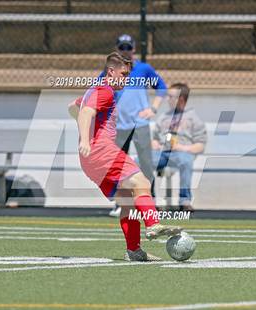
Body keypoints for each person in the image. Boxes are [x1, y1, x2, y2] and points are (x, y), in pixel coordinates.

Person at [69, 52, 182, 261]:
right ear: (110, 71)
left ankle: (134, 250)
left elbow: (74, 108)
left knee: (127, 201)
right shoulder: (105, 91)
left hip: (89, 160)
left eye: (129, 74)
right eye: (123, 74)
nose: (127, 78)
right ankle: (153, 224)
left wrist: (86, 137)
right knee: (141, 181)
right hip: (102, 152)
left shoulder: (93, 90)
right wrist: (85, 139)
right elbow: (85, 114)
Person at [100, 34, 167, 217]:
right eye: (122, 47)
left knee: (146, 163)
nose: (125, 51)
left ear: (134, 49)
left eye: (128, 47)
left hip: (140, 125)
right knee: (117, 165)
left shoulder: (143, 69)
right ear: (117, 49)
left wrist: (153, 108)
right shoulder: (111, 70)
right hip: (118, 126)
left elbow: (161, 87)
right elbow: (98, 90)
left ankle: (149, 203)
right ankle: (121, 203)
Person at [151, 83, 207, 212]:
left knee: (186, 161)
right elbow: (154, 138)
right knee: (143, 160)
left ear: (180, 99)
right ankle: (149, 201)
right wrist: (154, 143)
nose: (167, 99)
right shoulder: (164, 117)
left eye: (171, 96)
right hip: (162, 153)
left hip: (181, 152)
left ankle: (184, 201)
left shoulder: (193, 118)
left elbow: (200, 145)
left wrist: (181, 147)